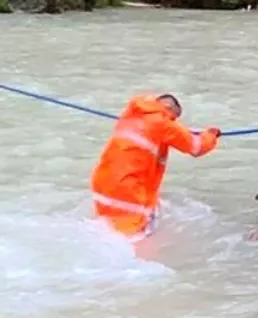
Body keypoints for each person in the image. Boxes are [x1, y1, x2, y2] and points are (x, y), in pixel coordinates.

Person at [91, 93, 220, 239]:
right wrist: (211, 134)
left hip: (103, 181)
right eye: (174, 117)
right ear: (169, 108)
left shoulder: (131, 113)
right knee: (132, 234)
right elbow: (196, 147)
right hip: (129, 186)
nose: (173, 121)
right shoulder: (162, 123)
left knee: (105, 225)